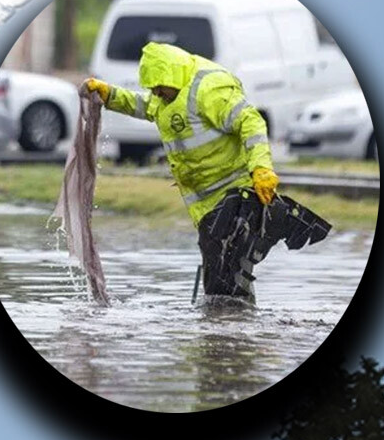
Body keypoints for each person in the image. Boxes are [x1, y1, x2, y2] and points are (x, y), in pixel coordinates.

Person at [84, 41, 283, 303]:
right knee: (223, 267)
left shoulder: (209, 90)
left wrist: (261, 168)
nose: (155, 92)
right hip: (203, 202)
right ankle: (231, 328)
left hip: (234, 193)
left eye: (158, 86)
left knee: (224, 263)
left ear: (171, 75)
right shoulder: (165, 96)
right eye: (152, 88)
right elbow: (143, 106)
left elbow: (251, 121)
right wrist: (110, 95)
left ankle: (228, 325)